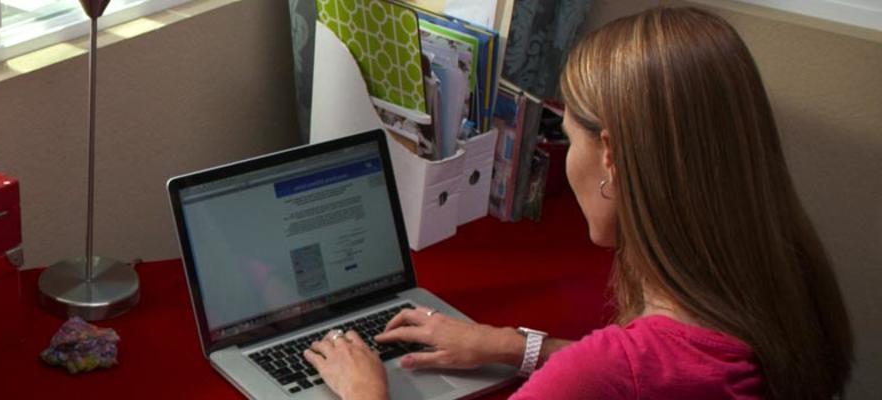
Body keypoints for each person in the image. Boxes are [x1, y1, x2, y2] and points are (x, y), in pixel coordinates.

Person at [302, 7, 853, 400]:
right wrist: (514, 346)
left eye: (567, 138)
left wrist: (365, 393)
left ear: (609, 154)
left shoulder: (609, 373)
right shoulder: (779, 279)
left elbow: (622, 375)